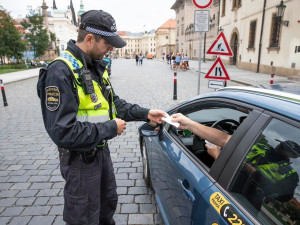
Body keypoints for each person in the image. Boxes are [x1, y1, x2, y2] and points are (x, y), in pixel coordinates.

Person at [37, 10, 166, 225]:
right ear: (89, 39)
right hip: (79, 161)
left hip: (99, 151)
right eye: (107, 43)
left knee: (107, 206)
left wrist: (145, 113)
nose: (111, 49)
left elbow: (113, 104)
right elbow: (63, 131)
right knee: (85, 217)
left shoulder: (94, 65)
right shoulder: (60, 72)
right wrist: (109, 128)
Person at [172, 113, 300, 210]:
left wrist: (219, 157)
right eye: (281, 145)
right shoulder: (262, 146)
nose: (280, 147)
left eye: (285, 149)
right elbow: (226, 139)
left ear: (293, 156)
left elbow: (284, 196)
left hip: (242, 203)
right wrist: (189, 124)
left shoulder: (291, 174)